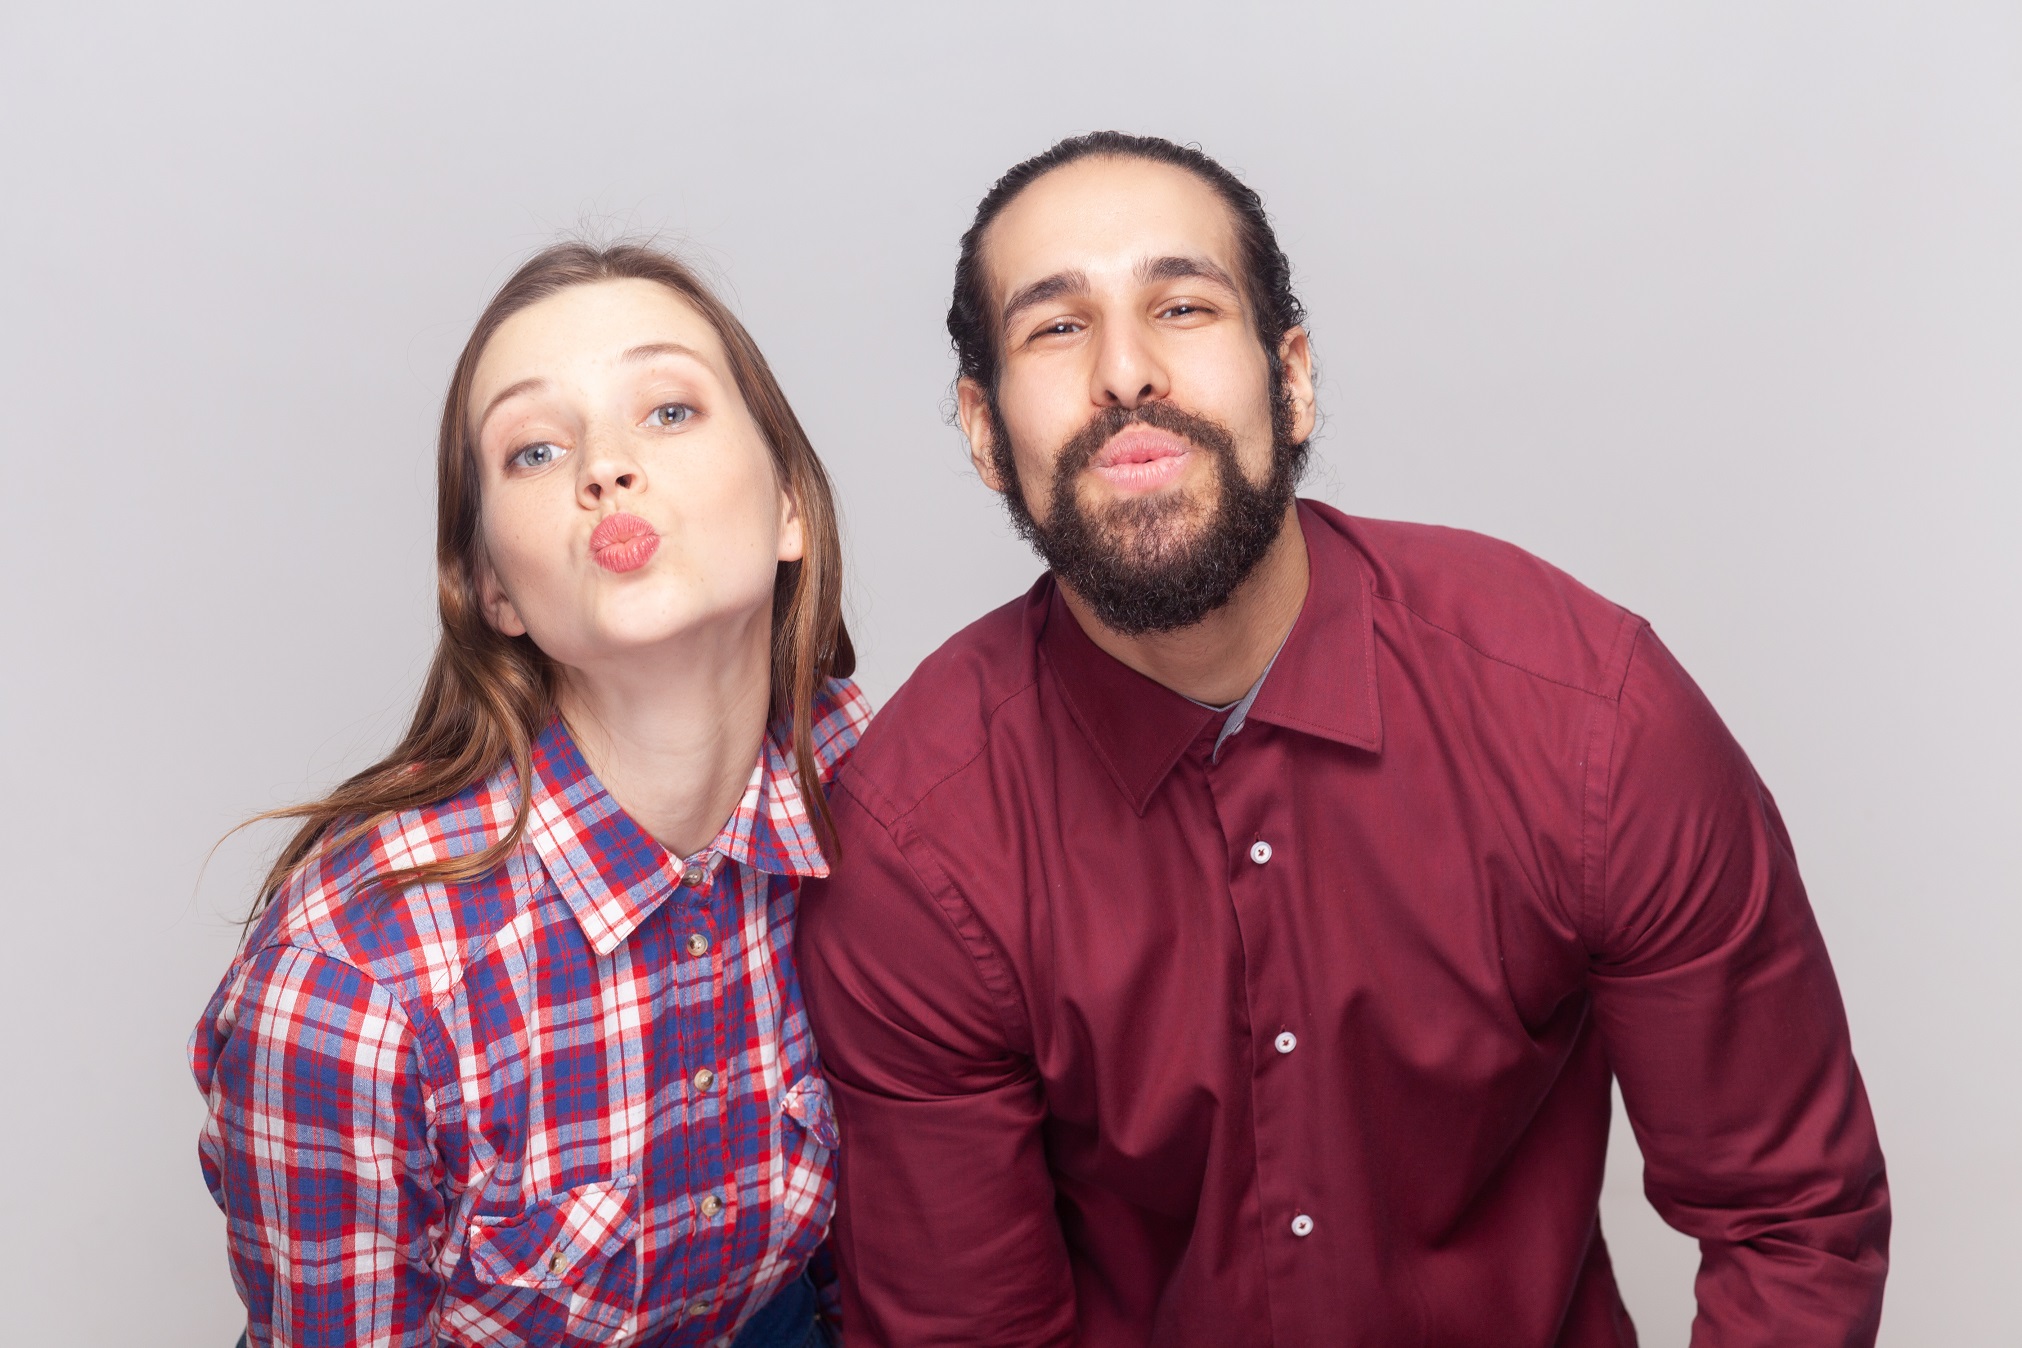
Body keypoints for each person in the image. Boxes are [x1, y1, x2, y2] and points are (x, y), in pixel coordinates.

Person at [796, 132, 1889, 1346]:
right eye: (1055, 327)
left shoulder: (1589, 716)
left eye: (1184, 304)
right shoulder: (914, 839)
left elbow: (1793, 1223)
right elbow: (966, 1334)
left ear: (1294, 377)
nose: (1126, 370)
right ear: (984, 429)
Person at [191, 242, 866, 1348]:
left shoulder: (877, 793)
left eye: (668, 411)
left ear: (791, 505)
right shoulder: (349, 983)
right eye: (536, 448)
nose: (604, 468)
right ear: (493, 588)